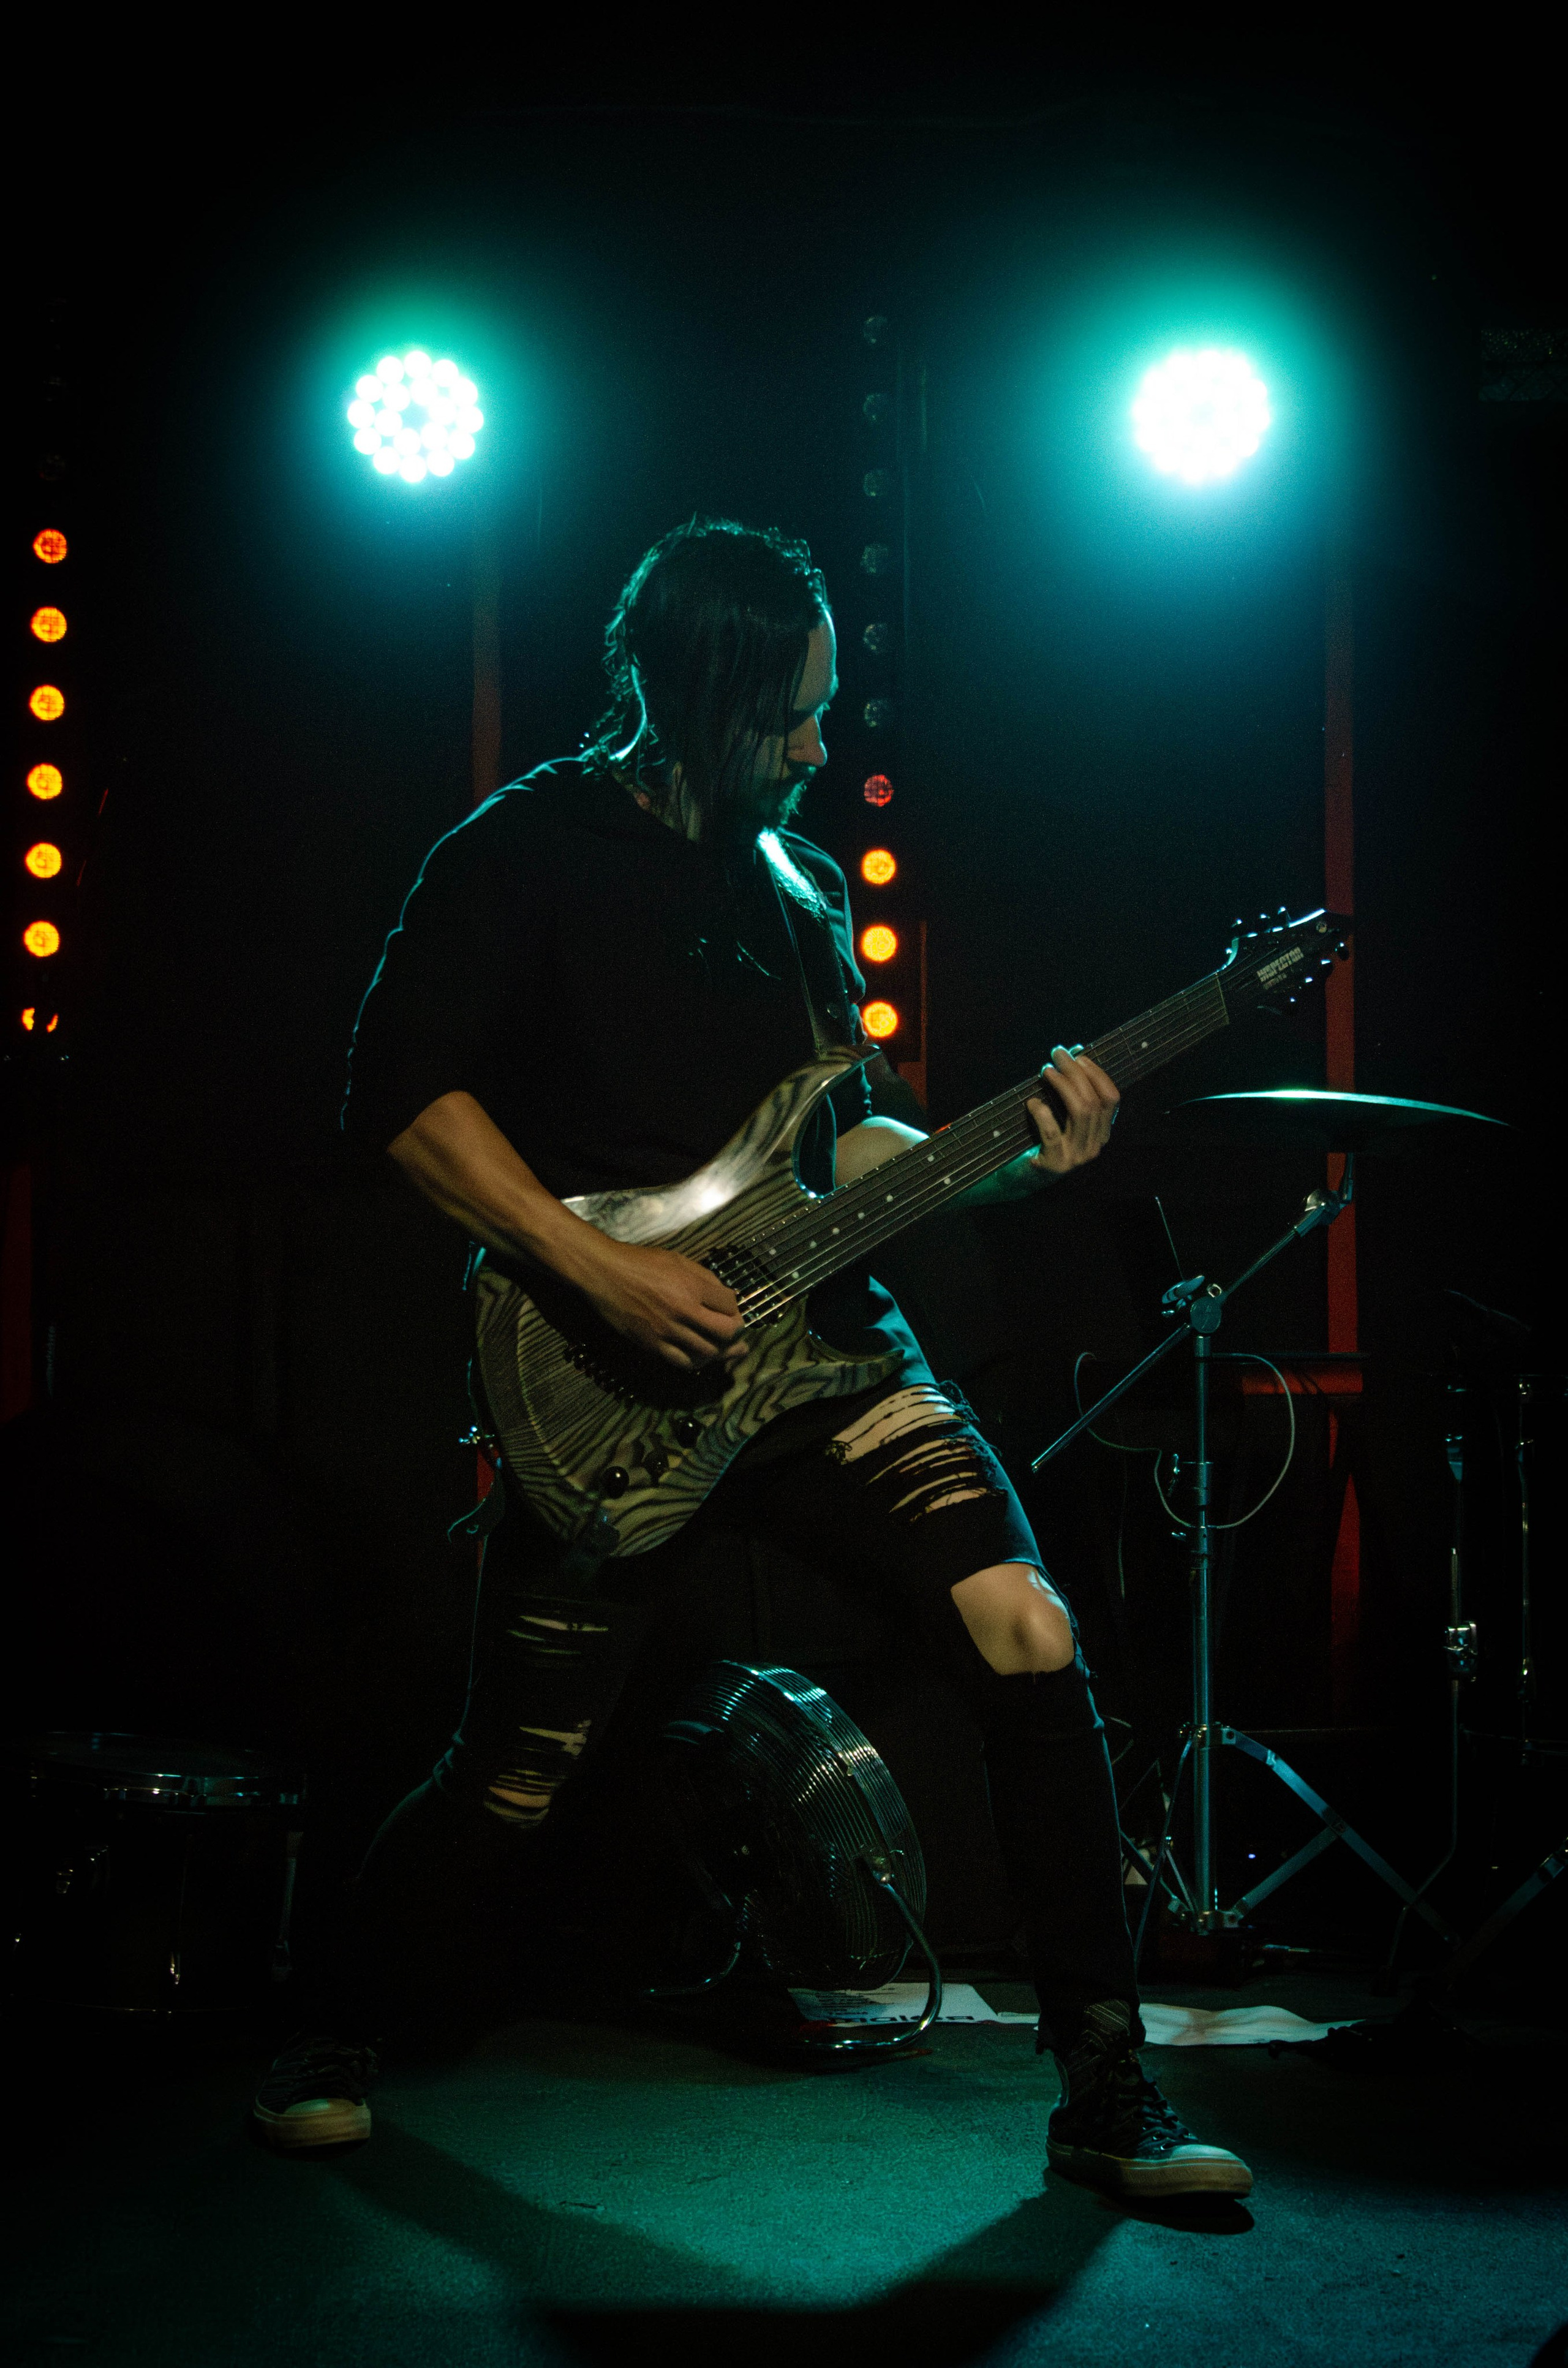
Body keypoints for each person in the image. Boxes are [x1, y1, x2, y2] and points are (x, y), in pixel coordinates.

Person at [252, 518, 1251, 2201]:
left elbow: (848, 1154)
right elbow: (404, 1103)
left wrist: (1020, 1148)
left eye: (827, 710)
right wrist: (599, 1270)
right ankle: (334, 2018)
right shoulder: (520, 854)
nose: (816, 748)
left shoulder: (804, 888)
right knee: (516, 1771)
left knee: (1030, 1625)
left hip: (828, 1361)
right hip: (604, 1371)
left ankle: (1103, 2082)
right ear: (681, 691)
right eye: (787, 717)